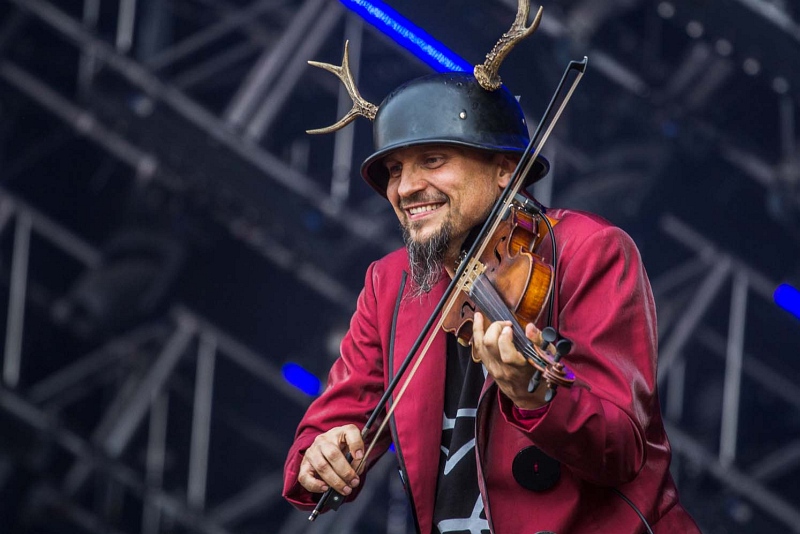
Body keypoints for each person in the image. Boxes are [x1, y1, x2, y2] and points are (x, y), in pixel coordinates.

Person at [283, 5, 701, 533]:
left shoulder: (591, 250)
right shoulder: (390, 284)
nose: (405, 187)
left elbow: (621, 448)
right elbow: (325, 431)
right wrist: (321, 453)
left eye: (433, 161)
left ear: (506, 167)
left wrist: (537, 395)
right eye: (394, 169)